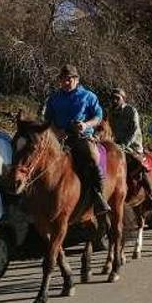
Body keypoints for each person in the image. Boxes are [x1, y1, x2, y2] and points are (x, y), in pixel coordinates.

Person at [43, 64, 110, 215]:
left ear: (76, 79)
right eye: (63, 80)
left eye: (69, 79)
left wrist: (86, 125)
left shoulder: (89, 96)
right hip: (59, 137)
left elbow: (98, 117)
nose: (65, 83)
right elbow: (48, 119)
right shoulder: (54, 98)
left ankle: (99, 196)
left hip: (81, 137)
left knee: (92, 157)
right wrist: (56, 131)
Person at [108, 88, 152, 210]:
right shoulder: (110, 112)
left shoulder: (131, 110)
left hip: (133, 145)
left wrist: (125, 144)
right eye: (113, 98)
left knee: (139, 163)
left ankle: (151, 195)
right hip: (117, 145)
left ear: (123, 98)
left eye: (117, 98)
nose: (114, 100)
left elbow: (134, 130)